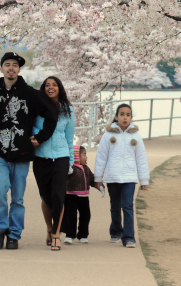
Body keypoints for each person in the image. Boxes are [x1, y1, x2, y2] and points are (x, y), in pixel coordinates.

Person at [0, 52, 58, 250]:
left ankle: (14, 234)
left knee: (17, 197)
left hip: (23, 154)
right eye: (7, 64)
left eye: (15, 65)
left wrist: (40, 137)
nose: (11, 68)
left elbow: (51, 114)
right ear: (1, 68)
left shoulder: (30, 94)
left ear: (19, 69)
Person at [94, 104, 149, 248]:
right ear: (116, 116)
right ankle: (116, 231)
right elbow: (101, 157)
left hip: (130, 178)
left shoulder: (136, 135)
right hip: (112, 177)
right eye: (122, 114)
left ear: (131, 117)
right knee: (115, 206)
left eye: (128, 115)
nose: (125, 117)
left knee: (128, 206)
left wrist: (144, 179)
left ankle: (129, 237)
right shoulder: (108, 135)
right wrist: (98, 179)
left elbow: (141, 159)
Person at [32, 76, 74, 251]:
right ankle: (49, 228)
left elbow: (69, 138)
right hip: (41, 157)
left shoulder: (67, 109)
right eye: (47, 85)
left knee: (58, 196)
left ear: (59, 88)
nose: (51, 87)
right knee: (46, 197)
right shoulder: (37, 108)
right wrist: (37, 136)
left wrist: (71, 162)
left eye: (54, 85)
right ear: (43, 89)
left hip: (61, 157)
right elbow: (31, 128)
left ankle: (56, 234)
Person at [63, 146, 102, 245]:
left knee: (86, 215)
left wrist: (99, 185)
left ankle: (83, 235)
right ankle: (70, 235)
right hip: (70, 196)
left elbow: (92, 179)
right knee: (70, 215)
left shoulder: (86, 168)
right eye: (84, 154)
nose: (86, 157)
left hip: (83, 197)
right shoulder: (70, 168)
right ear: (76, 156)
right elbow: (63, 178)